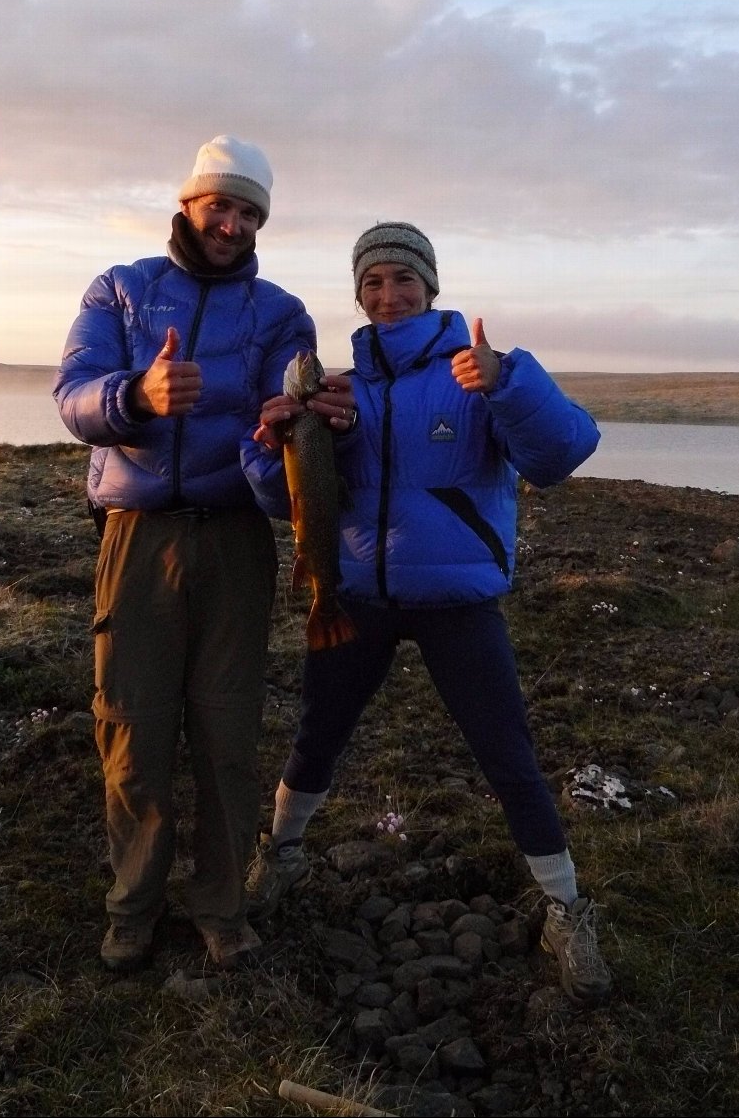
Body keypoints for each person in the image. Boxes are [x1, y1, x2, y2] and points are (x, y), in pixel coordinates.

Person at [241, 221, 612, 1007]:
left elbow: (562, 454)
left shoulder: (474, 373)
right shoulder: (339, 386)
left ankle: (566, 907)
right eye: (371, 282)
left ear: (431, 285)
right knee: (318, 734)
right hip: (356, 599)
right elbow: (286, 501)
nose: (387, 295)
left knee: (505, 750)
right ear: (358, 293)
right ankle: (279, 853)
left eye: (402, 280)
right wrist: (271, 439)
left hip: (457, 602)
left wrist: (508, 380)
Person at [53, 134, 317, 973]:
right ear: (188, 204)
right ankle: (132, 907)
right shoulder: (121, 290)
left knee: (228, 732)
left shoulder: (281, 313)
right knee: (131, 729)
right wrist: (137, 394)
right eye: (220, 205)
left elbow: (288, 407)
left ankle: (222, 908)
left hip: (237, 539)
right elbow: (73, 395)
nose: (232, 223)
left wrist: (288, 425)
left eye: (248, 211)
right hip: (137, 539)